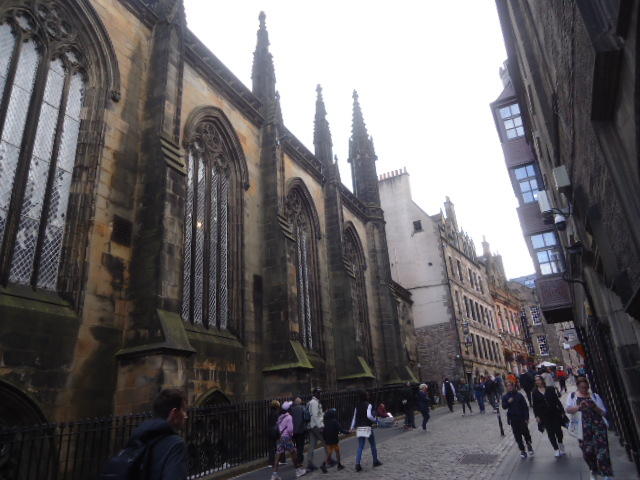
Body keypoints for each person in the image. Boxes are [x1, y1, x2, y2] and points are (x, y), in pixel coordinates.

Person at [566, 378, 613, 480]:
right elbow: (568, 410)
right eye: (582, 387)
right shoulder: (572, 396)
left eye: (586, 387)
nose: (584, 389)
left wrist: (594, 406)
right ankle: (593, 469)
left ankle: (607, 474)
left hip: (598, 425)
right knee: (587, 451)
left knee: (602, 450)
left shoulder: (594, 396)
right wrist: (579, 407)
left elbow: (603, 413)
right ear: (578, 387)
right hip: (582, 428)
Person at [532, 375, 566, 457]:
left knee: (558, 431)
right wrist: (537, 416)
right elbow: (535, 405)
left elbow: (557, 400)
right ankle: (556, 449)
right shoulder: (534, 392)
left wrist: (562, 410)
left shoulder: (550, 389)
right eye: (536, 380)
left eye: (539, 380)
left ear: (542, 380)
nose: (537, 382)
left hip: (554, 413)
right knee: (550, 432)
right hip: (544, 415)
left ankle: (560, 444)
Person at [350, 390, 382, 472]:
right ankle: (375, 461)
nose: (368, 396)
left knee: (360, 446)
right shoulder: (368, 405)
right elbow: (369, 416)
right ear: (365, 396)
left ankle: (357, 464)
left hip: (359, 427)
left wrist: (352, 427)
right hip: (367, 427)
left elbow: (354, 417)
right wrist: (375, 420)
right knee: (372, 444)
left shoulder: (357, 406)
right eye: (367, 395)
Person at [272, 401, 305, 479]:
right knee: (294, 454)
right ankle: (298, 471)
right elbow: (290, 429)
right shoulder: (289, 417)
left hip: (280, 438)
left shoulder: (280, 417)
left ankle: (274, 474)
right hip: (287, 438)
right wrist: (291, 435)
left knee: (277, 456)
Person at [502, 380, 534, 459]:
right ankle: (522, 450)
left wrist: (526, 417)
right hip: (513, 418)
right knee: (517, 435)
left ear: (513, 386)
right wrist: (508, 402)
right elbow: (504, 406)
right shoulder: (505, 396)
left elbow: (525, 407)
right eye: (507, 386)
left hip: (521, 417)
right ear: (506, 387)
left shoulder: (519, 395)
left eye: (510, 385)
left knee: (525, 432)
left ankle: (529, 444)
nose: (509, 387)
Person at [320, 408, 348, 473]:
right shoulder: (334, 421)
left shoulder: (325, 422)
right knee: (336, 451)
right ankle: (338, 465)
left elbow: (323, 432)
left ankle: (324, 464)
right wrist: (348, 432)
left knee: (330, 452)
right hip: (334, 439)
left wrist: (325, 439)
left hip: (328, 439)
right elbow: (341, 430)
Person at [306, 389, 325, 472]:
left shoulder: (312, 402)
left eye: (320, 392)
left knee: (312, 445)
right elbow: (315, 415)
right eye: (318, 393)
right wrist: (320, 426)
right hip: (315, 426)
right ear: (314, 394)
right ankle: (329, 459)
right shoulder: (314, 403)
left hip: (311, 425)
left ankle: (309, 463)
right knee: (325, 442)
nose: (320, 394)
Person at [290, 397, 307, 467]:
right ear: (300, 402)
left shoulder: (291, 409)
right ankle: (300, 461)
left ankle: (296, 460)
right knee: (300, 446)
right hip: (301, 430)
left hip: (293, 430)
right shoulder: (303, 408)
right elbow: (306, 417)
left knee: (295, 446)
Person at [267, 400, 282, 467]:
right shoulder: (277, 413)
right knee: (277, 447)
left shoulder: (270, 413)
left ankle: (271, 462)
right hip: (275, 431)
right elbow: (278, 423)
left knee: (271, 447)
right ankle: (277, 461)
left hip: (270, 431)